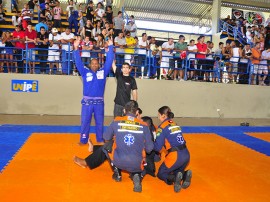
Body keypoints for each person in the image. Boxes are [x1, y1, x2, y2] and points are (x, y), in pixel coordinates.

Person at [103, 100, 154, 192]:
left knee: (106, 146)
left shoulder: (116, 121)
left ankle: (117, 173)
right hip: (137, 163)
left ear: (124, 111)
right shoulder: (144, 126)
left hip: (118, 161)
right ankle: (137, 175)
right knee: (142, 153)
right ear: (137, 112)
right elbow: (150, 149)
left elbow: (106, 137)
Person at [73, 36, 114, 146]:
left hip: (99, 103)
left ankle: (100, 139)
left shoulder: (103, 72)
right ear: (90, 65)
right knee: (85, 122)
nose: (95, 65)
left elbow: (109, 61)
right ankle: (83, 140)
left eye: (96, 63)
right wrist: (76, 48)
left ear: (99, 65)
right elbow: (78, 63)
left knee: (100, 122)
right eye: (93, 63)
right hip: (87, 103)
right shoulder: (85, 72)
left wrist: (111, 47)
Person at [154, 106, 191, 193]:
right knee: (176, 170)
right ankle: (185, 174)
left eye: (158, 115)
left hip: (175, 156)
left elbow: (157, 147)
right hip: (186, 155)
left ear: (163, 115)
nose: (158, 117)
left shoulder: (162, 127)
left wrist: (149, 143)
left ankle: (175, 179)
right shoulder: (175, 124)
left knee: (161, 173)